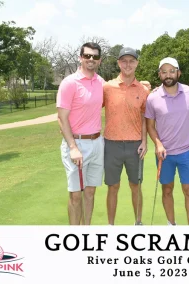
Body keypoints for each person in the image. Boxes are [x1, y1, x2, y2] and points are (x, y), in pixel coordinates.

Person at [145, 57, 189, 226]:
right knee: (167, 190)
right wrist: (158, 144)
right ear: (160, 75)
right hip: (164, 154)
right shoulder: (153, 98)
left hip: (187, 152)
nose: (168, 75)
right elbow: (150, 126)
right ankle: (171, 225)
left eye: (172, 71)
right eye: (164, 72)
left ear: (178, 72)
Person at [56, 42, 105, 225]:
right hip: (76, 144)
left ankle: (87, 234)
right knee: (76, 195)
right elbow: (62, 118)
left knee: (90, 193)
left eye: (94, 56)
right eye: (87, 56)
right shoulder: (70, 83)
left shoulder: (101, 83)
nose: (90, 59)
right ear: (80, 57)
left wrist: (147, 87)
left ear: (99, 60)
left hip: (97, 143)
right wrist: (73, 147)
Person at [103, 47, 150, 225]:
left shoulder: (143, 90)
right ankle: (111, 226)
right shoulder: (107, 87)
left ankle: (138, 223)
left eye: (131, 61)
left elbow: (146, 117)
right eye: (124, 61)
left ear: (137, 63)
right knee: (113, 186)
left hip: (135, 145)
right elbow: (91, 107)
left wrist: (145, 141)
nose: (128, 64)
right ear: (118, 63)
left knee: (135, 186)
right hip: (111, 144)